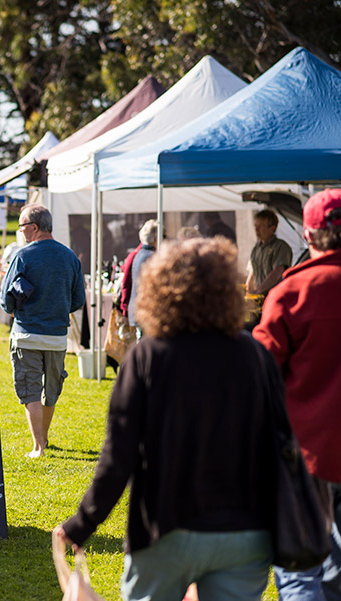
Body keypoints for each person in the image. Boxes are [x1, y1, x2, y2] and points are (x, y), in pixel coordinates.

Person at [56, 237, 279, 601]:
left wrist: (82, 525)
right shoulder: (256, 356)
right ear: (228, 289)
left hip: (167, 526)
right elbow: (281, 443)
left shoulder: (148, 357)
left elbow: (119, 458)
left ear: (160, 290)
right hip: (245, 529)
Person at [254, 188, 341, 601]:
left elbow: (260, 372)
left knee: (299, 569)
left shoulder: (292, 292)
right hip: (310, 454)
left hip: (306, 454)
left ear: (308, 235)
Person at [1, 204, 84, 458]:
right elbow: (78, 300)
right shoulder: (70, 256)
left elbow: (6, 300)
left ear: (34, 228)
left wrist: (19, 309)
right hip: (58, 337)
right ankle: (44, 439)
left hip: (26, 334)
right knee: (51, 392)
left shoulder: (23, 256)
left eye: (22, 226)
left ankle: (38, 447)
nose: (21, 231)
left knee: (30, 391)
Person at [246, 208, 292, 296]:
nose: (256, 229)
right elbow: (252, 273)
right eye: (256, 226)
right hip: (260, 300)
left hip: (276, 298)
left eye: (261, 226)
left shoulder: (280, 247)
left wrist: (259, 290)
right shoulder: (256, 249)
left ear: (272, 228)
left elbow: (277, 272)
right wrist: (248, 292)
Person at [128, 220, 158, 330]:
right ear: (156, 237)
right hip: (146, 310)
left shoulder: (139, 254)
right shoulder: (152, 257)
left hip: (138, 308)